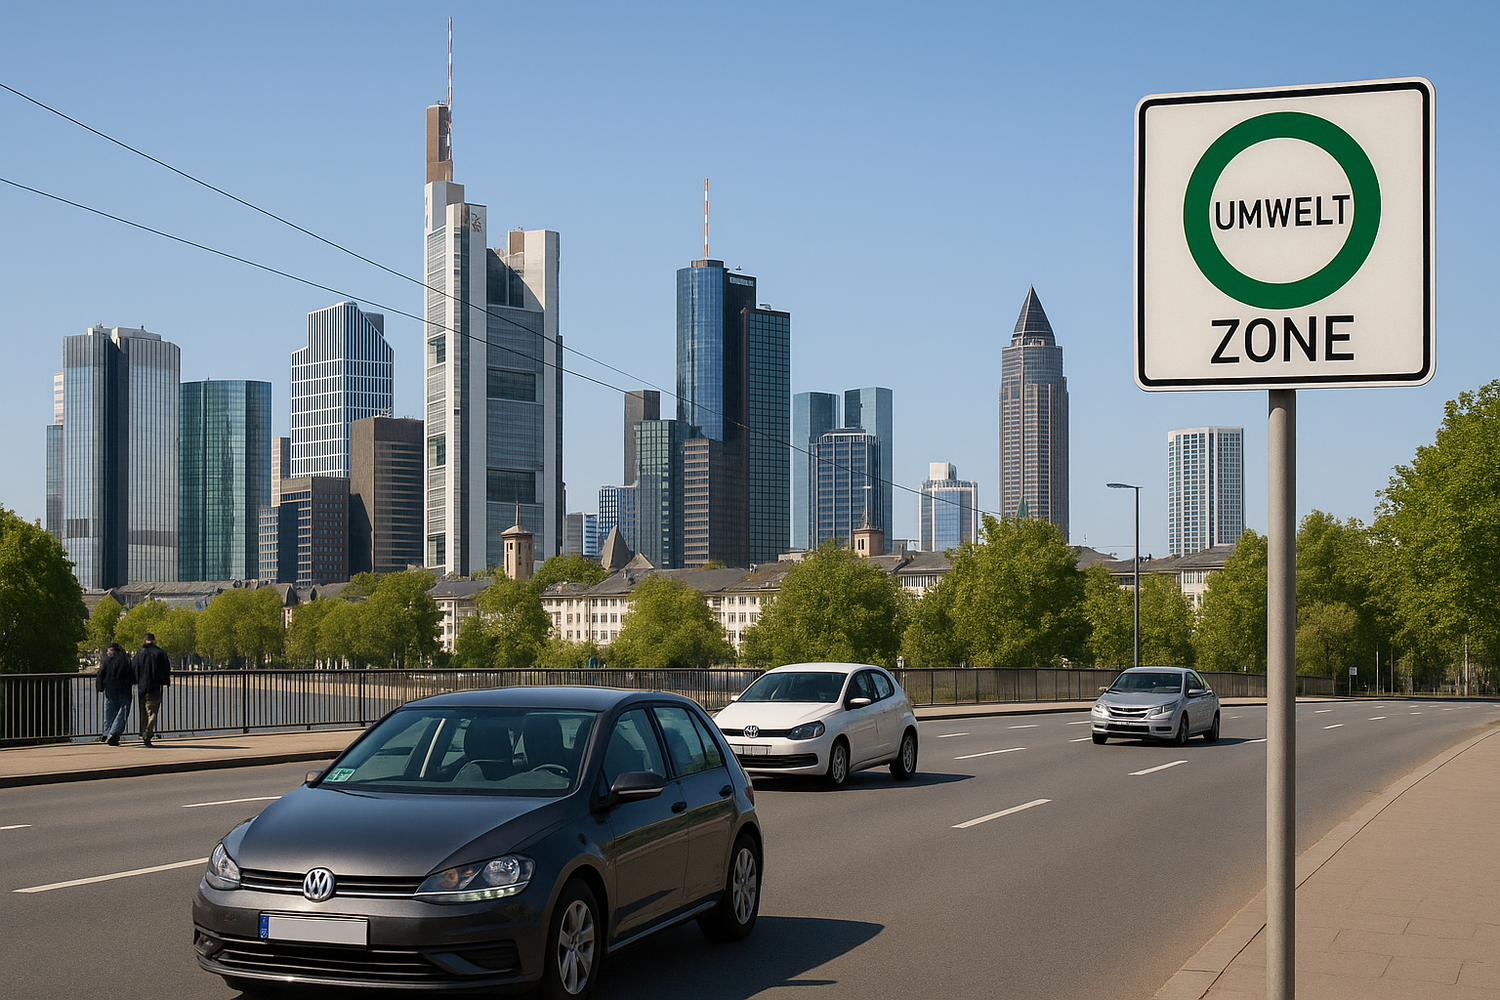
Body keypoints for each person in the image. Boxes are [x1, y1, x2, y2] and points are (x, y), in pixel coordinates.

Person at [132, 632, 171, 747]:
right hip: (154, 686)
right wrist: (165, 681)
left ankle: (142, 731)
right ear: (154, 640)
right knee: (152, 711)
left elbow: (133, 668)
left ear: (144, 640)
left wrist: (135, 681)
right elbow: (166, 669)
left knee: (143, 711)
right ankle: (148, 733)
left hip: (142, 687)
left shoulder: (139, 653)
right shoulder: (160, 653)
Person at [96, 642, 134, 746]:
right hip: (123, 689)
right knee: (123, 710)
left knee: (109, 711)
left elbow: (101, 673)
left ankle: (107, 733)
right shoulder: (125, 660)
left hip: (110, 688)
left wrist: (100, 686)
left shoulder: (106, 659)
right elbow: (131, 674)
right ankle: (113, 733)